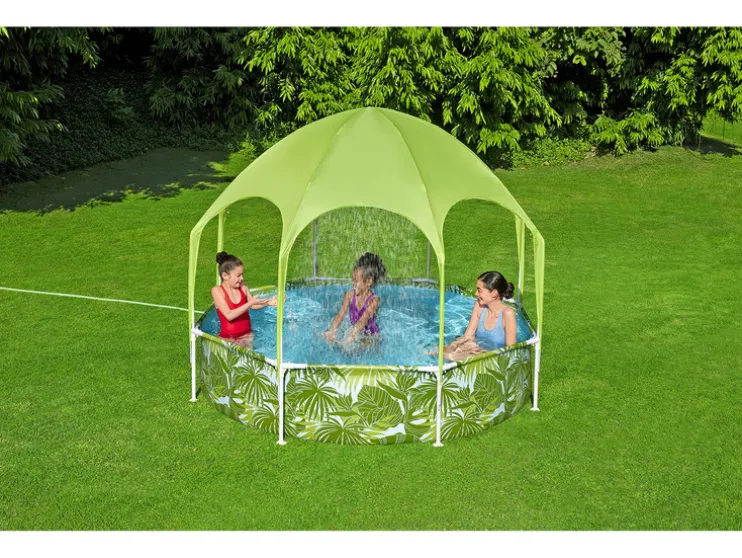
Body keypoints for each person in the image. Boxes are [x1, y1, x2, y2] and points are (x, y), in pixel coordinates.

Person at [438, 271, 517, 361]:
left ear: (494, 293)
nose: (476, 293)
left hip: (496, 360)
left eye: (479, 290)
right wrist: (451, 347)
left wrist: (481, 352)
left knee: (449, 356)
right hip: (477, 353)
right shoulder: (479, 306)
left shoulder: (507, 314)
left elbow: (511, 351)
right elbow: (468, 336)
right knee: (437, 351)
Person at [211, 251, 277, 349]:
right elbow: (229, 315)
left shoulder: (242, 286)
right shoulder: (217, 291)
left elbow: (253, 305)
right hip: (228, 339)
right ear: (225, 276)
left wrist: (268, 302)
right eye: (238, 275)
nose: (242, 278)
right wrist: (249, 303)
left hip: (247, 336)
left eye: (242, 274)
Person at [323, 252, 386, 347]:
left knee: (360, 344)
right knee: (336, 340)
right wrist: (332, 330)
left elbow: (363, 320)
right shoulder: (349, 295)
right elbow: (340, 315)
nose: (353, 283)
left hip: (370, 336)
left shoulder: (374, 300)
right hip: (357, 332)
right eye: (353, 279)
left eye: (356, 280)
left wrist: (352, 335)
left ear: (368, 281)